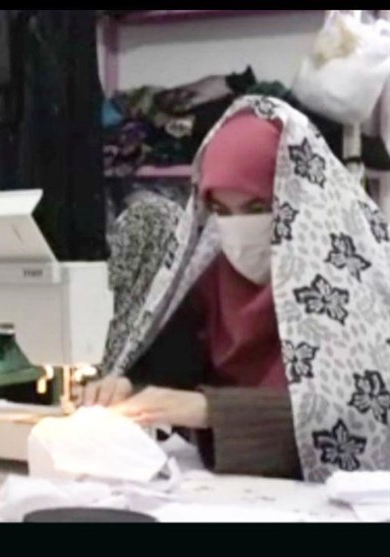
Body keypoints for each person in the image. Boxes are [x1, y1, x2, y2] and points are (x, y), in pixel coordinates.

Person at [80, 96, 390, 482]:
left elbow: (362, 420)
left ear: (302, 199)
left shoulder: (358, 281)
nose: (238, 230)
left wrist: (208, 410)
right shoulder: (210, 281)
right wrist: (127, 386)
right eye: (221, 211)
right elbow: (170, 370)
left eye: (257, 208)